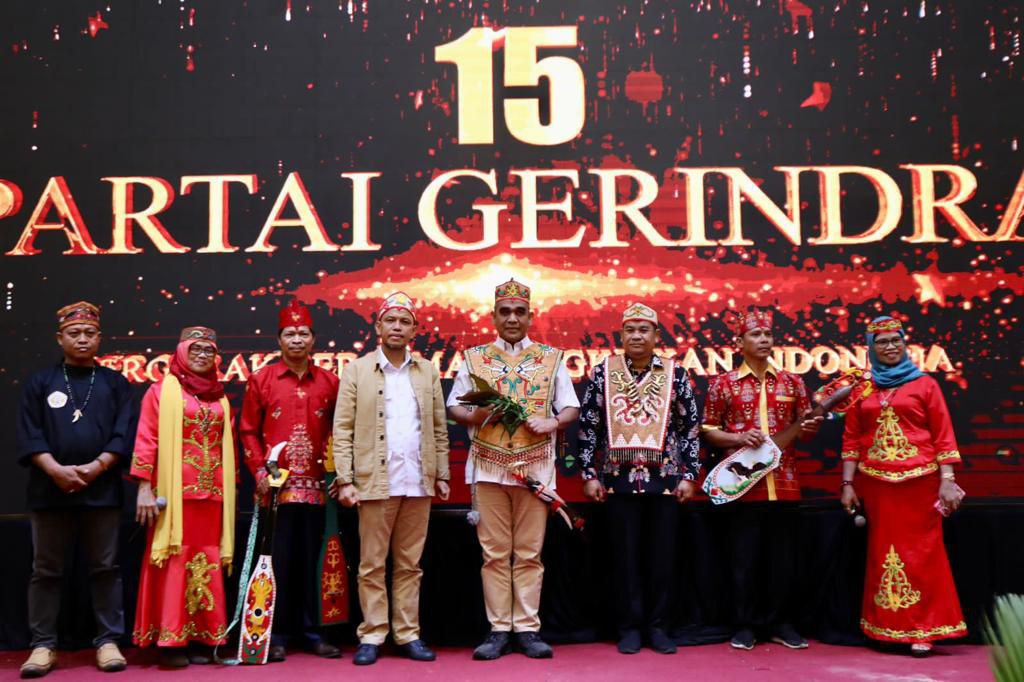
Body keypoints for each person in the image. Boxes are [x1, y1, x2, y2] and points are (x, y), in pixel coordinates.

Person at [447, 279, 580, 660]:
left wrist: (553, 422)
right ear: (493, 316)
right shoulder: (474, 358)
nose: (512, 318)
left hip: (535, 469)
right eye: (504, 312)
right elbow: (454, 405)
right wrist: (474, 415)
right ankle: (498, 629)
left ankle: (527, 628)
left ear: (530, 316)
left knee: (529, 553)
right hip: (488, 467)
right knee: (493, 554)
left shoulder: (551, 358)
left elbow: (570, 406)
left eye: (519, 312)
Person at [16, 302, 133, 677]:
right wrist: (54, 469)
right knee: (46, 571)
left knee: (105, 568)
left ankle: (108, 641)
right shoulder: (40, 382)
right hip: (49, 490)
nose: (82, 339)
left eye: (89, 333)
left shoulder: (115, 383)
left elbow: (123, 433)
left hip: (103, 490)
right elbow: (30, 432)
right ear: (59, 338)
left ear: (99, 338)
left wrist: (98, 466)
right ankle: (42, 645)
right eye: (74, 333)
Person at [332, 292, 450, 665]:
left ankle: (408, 634)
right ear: (378, 326)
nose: (397, 328)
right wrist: (345, 479)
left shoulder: (427, 371)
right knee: (371, 564)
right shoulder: (357, 370)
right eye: (391, 321)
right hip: (374, 482)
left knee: (410, 565)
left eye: (404, 322)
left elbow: (438, 427)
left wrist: (441, 473)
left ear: (414, 330)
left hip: (417, 480)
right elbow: (342, 428)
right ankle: (372, 634)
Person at [577, 303, 701, 655]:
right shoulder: (604, 372)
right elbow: (588, 425)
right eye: (629, 330)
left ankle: (658, 627)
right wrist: (589, 473)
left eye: (643, 330)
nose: (636, 336)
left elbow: (689, 426)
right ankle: (629, 627)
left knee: (662, 559)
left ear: (656, 335)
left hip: (666, 481)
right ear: (621, 335)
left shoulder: (675, 373)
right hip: (617, 481)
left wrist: (690, 474)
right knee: (624, 559)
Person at [839, 316, 966, 655]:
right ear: (871, 348)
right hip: (877, 485)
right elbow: (852, 439)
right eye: (882, 342)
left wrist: (948, 481)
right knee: (882, 553)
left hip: (921, 482)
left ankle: (924, 629)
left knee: (923, 554)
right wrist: (848, 483)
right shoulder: (863, 389)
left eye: (895, 340)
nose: (890, 346)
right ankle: (886, 627)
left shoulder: (925, 384)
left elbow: (943, 435)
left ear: (904, 344)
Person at [701, 308, 821, 651]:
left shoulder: (792, 382)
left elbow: (806, 432)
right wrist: (739, 438)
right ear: (739, 342)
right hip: (741, 487)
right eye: (755, 335)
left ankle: (781, 623)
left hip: (785, 484)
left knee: (783, 561)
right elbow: (707, 430)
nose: (764, 339)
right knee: (744, 560)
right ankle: (745, 625)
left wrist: (811, 427)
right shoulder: (723, 384)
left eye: (767, 334)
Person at [240, 300, 341, 662]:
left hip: (319, 489)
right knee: (277, 561)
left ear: (314, 339)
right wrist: (259, 471)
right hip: (276, 490)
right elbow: (248, 431)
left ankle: (315, 633)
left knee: (314, 562)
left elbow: (341, 432)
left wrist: (340, 476)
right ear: (279, 339)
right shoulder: (261, 379)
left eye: (303, 333)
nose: (297, 340)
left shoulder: (331, 382)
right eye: (289, 334)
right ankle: (277, 634)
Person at [130, 327, 236, 669]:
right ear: (181, 352)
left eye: (209, 350)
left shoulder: (220, 397)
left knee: (206, 561)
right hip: (174, 496)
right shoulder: (160, 391)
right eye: (196, 349)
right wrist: (144, 486)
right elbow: (146, 438)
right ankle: (172, 639)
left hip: (213, 496)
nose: (203, 355)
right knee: (175, 560)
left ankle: (204, 635)